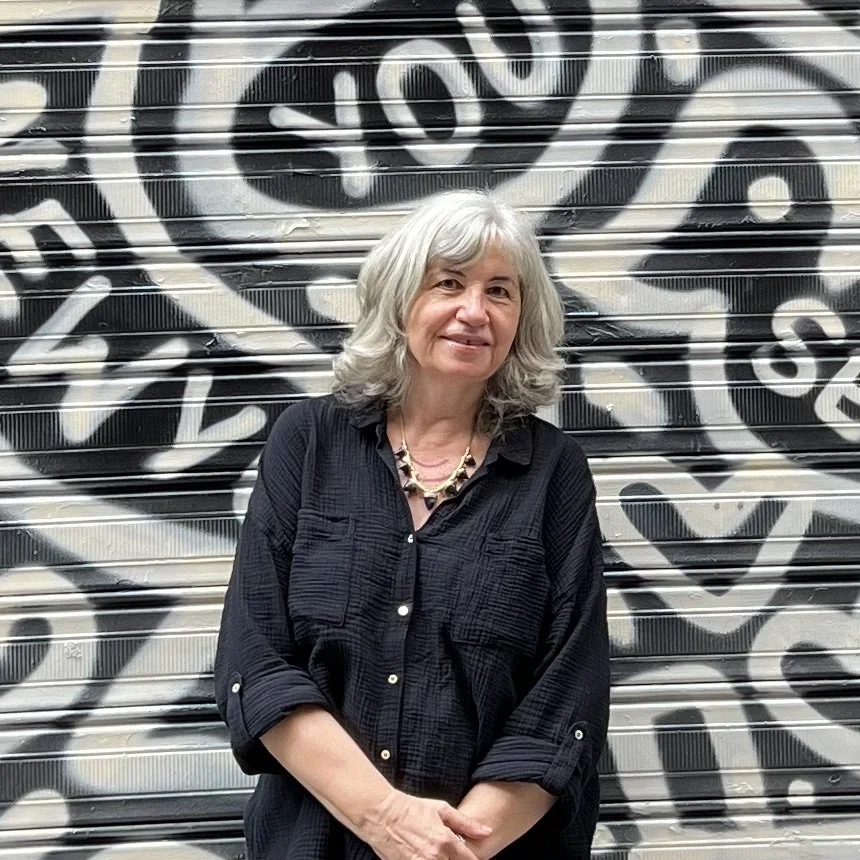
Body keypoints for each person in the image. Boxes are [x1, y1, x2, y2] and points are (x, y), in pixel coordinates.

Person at [214, 189, 610, 860]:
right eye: (449, 283)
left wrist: (449, 852)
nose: (474, 311)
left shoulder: (554, 474)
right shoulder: (308, 443)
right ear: (402, 300)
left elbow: (563, 705)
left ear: (522, 318)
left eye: (501, 292)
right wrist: (386, 820)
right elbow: (256, 663)